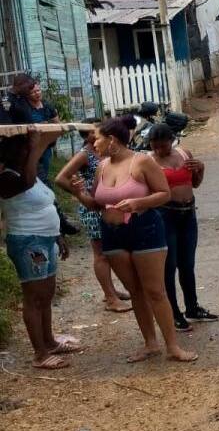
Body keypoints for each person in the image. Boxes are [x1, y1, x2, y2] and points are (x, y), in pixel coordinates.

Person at [69, 117, 197, 363]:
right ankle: (150, 344)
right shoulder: (102, 166)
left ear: (112, 140)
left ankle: (173, 347)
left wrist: (138, 203)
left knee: (155, 291)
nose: (93, 144)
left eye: (97, 139)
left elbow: (164, 194)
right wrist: (79, 194)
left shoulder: (142, 161)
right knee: (135, 291)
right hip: (112, 233)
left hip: (144, 228)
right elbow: (97, 204)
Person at [1, 130, 81, 369]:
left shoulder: (29, 174)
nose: (31, 153)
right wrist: (36, 149)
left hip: (44, 239)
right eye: (27, 150)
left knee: (46, 294)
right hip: (28, 241)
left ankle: (49, 341)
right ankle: (40, 353)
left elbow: (45, 203)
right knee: (34, 297)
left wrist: (58, 236)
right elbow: (24, 186)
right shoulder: (7, 177)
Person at [147, 123, 217, 332]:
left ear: (172, 141)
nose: (160, 150)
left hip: (188, 213)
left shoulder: (184, 154)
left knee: (187, 264)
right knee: (169, 265)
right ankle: (173, 312)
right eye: (155, 146)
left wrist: (201, 169)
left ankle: (192, 307)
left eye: (164, 146)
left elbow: (195, 183)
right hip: (165, 214)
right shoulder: (149, 162)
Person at [55, 126, 132, 313]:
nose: (97, 136)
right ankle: (110, 297)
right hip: (92, 208)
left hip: (108, 206)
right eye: (93, 133)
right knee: (101, 254)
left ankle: (112, 291)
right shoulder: (84, 154)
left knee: (113, 251)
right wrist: (80, 192)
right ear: (86, 136)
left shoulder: (105, 151)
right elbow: (61, 178)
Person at [7, 74, 79, 236]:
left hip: (39, 148)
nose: (34, 91)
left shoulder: (40, 104)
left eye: (36, 88)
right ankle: (60, 223)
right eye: (30, 88)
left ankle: (58, 222)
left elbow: (57, 124)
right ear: (21, 85)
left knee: (42, 182)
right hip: (23, 151)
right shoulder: (13, 102)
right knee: (37, 182)